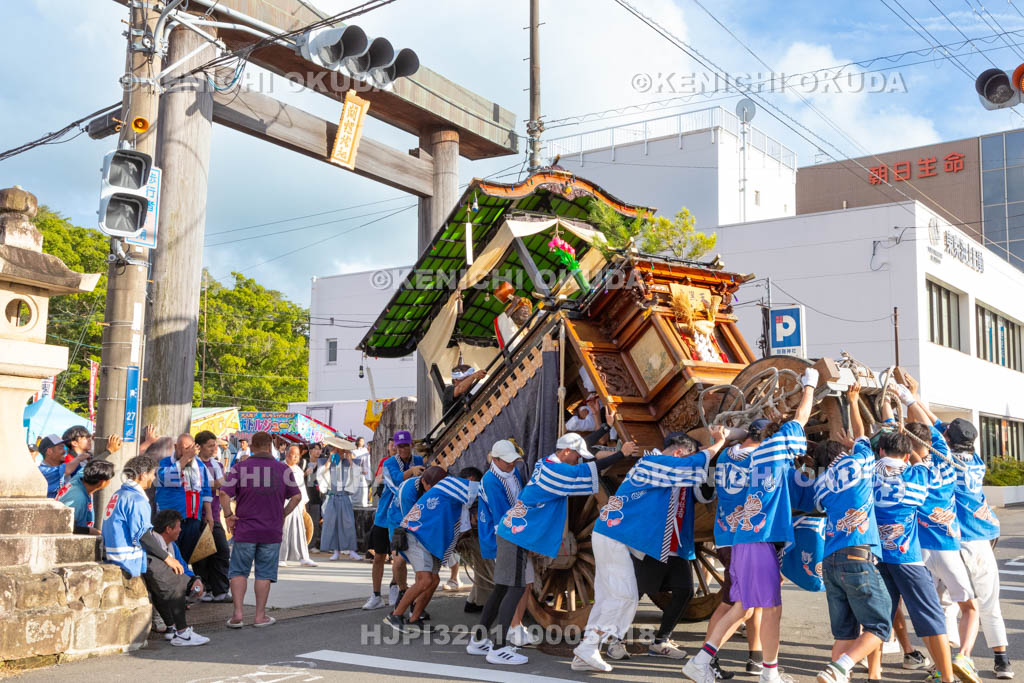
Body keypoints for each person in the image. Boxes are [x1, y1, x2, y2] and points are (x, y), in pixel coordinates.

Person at [685, 366, 818, 683]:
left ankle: (702, 662)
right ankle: (768, 673)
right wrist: (809, 386)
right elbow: (799, 420)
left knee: (742, 607)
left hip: (740, 535)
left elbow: (738, 437)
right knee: (769, 608)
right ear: (770, 436)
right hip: (759, 538)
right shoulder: (773, 449)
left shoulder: (731, 456)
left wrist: (736, 433)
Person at [468, 432, 632, 667]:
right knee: (513, 590)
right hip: (515, 534)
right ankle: (499, 648)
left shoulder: (545, 464)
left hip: (514, 533)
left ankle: (479, 640)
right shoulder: (551, 470)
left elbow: (580, 469)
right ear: (566, 452)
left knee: (503, 589)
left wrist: (601, 434)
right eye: (577, 455)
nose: (578, 460)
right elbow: (582, 473)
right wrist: (620, 455)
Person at [574, 427, 725, 672]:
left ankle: (583, 654)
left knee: (608, 596)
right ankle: (589, 647)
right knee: (625, 596)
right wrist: (719, 442)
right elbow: (692, 465)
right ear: (678, 454)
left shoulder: (653, 463)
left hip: (615, 535)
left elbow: (698, 485)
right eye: (686, 459)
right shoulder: (653, 462)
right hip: (615, 535)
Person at [870, 394, 960, 683]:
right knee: (933, 618)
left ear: (882, 450)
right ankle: (947, 678)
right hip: (912, 555)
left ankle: (873, 673)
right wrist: (911, 399)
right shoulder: (924, 474)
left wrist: (889, 405)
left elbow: (886, 439)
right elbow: (938, 443)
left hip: (879, 555)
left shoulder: (869, 474)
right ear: (910, 455)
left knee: (877, 617)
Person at [896, 384, 983, 683]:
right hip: (947, 547)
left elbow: (921, 435)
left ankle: (938, 670)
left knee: (931, 616)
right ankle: (965, 659)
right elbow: (935, 431)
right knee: (970, 607)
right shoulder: (949, 463)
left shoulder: (907, 473)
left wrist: (899, 405)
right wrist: (910, 399)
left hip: (919, 552)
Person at [810, 382, 891, 683]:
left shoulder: (819, 484)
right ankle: (839, 668)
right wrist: (853, 401)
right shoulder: (860, 461)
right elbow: (862, 436)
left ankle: (837, 670)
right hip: (859, 556)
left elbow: (819, 505)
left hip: (830, 561)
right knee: (879, 627)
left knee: (844, 632)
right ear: (843, 450)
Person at [102, 455, 209, 647]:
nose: (153, 478)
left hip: (117, 551)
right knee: (175, 579)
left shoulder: (120, 493)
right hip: (130, 555)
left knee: (167, 581)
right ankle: (181, 632)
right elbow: (143, 535)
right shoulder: (137, 499)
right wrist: (167, 558)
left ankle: (173, 628)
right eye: (152, 474)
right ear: (142, 475)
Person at [942, 417, 1013, 680]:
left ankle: (953, 658)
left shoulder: (947, 462)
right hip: (983, 541)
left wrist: (911, 400)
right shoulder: (977, 462)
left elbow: (938, 434)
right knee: (989, 603)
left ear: (948, 440)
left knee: (948, 601)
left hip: (957, 542)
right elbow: (945, 430)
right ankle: (1002, 661)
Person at [219, 431, 301, 628]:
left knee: (239, 571)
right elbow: (296, 497)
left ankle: (238, 613)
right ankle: (260, 616)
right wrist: (283, 513)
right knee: (264, 573)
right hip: (271, 531)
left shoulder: (239, 468)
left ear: (253, 447)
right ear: (270, 446)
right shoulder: (283, 470)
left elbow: (223, 493)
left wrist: (229, 515)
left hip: (245, 530)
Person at [386, 466, 480, 632]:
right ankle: (396, 614)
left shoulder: (456, 496)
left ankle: (415, 618)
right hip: (415, 536)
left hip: (432, 541)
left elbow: (463, 527)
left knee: (433, 580)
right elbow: (480, 489)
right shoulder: (449, 486)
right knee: (425, 580)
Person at [363, 430, 423, 611]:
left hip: (409, 516)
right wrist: (412, 471)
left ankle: (397, 588)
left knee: (399, 557)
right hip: (386, 515)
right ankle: (375, 595)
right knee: (380, 555)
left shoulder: (420, 461)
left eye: (406, 445)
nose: (403, 449)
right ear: (395, 447)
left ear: (412, 445)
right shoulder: (388, 463)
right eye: (400, 446)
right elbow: (396, 483)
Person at [476, 440, 529, 640]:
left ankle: (513, 628)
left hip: (517, 531)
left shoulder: (513, 472)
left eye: (514, 460)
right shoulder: (491, 481)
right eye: (507, 461)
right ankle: (505, 636)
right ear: (495, 459)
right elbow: (501, 517)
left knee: (520, 584)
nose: (512, 464)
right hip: (503, 535)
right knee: (511, 587)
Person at [155, 434, 213, 563]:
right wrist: (186, 458)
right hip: (170, 520)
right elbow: (166, 477)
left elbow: (205, 489)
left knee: (186, 558)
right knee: (168, 556)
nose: (188, 452)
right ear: (175, 447)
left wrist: (208, 513)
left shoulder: (199, 465)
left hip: (192, 518)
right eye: (184, 448)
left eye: (190, 448)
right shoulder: (165, 462)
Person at [192, 430, 232, 602]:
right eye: (210, 446)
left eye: (215, 445)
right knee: (202, 555)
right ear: (199, 447)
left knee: (222, 551)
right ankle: (207, 589)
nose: (214, 448)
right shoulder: (192, 464)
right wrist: (220, 483)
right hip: (197, 515)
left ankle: (220, 590)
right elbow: (202, 486)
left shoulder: (218, 465)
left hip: (215, 514)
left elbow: (222, 488)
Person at [317, 437, 361, 561]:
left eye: (342, 450)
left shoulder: (350, 462)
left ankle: (351, 550)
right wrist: (330, 460)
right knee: (332, 523)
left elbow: (357, 474)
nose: (340, 452)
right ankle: (335, 551)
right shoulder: (328, 462)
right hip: (332, 496)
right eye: (338, 450)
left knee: (348, 523)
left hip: (345, 496)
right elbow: (321, 474)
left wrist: (350, 460)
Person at [280, 444, 318, 567]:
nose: (295, 457)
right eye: (293, 455)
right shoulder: (279, 467)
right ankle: (280, 557)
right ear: (287, 455)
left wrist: (303, 508)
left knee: (300, 531)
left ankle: (303, 557)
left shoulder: (298, 470)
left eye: (297, 455)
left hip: (297, 504)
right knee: (283, 530)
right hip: (284, 503)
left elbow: (302, 490)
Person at [57, 459, 114, 534]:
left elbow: (92, 466)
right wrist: (90, 531)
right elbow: (62, 526)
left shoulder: (81, 476)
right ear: (102, 483)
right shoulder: (78, 499)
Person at [37, 434, 87, 498]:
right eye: (61, 447)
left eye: (64, 447)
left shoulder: (67, 467)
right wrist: (79, 458)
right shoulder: (42, 471)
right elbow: (67, 470)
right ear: (49, 451)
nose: (64, 451)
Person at [352, 437, 372, 507]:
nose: (362, 442)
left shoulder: (365, 451)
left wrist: (365, 470)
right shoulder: (353, 451)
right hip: (355, 473)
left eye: (363, 441)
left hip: (364, 473)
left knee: (363, 489)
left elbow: (367, 463)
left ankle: (363, 503)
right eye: (361, 441)